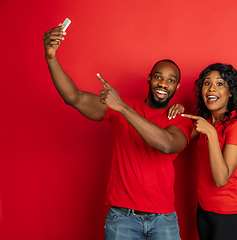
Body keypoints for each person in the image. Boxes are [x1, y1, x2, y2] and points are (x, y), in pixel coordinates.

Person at [42, 23, 193, 240]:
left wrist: (123, 107)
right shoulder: (118, 107)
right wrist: (51, 58)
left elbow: (167, 144)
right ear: (149, 79)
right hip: (123, 219)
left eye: (171, 80)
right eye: (158, 77)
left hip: (164, 219)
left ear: (177, 87)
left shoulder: (180, 118)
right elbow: (74, 97)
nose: (163, 83)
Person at [169, 63, 237, 240]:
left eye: (220, 84)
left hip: (229, 215)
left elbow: (221, 179)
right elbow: (174, 140)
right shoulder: (205, 122)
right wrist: (178, 112)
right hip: (203, 210)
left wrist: (211, 133)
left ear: (230, 92)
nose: (212, 88)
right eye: (207, 83)